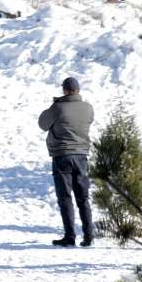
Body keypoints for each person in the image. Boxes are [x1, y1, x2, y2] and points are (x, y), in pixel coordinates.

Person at [38, 77, 95, 247]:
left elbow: (42, 123)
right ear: (78, 90)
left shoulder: (58, 108)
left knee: (65, 197)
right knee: (83, 198)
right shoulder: (88, 108)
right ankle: (89, 236)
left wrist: (56, 104)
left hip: (62, 155)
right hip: (82, 156)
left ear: (64, 90)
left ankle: (70, 236)